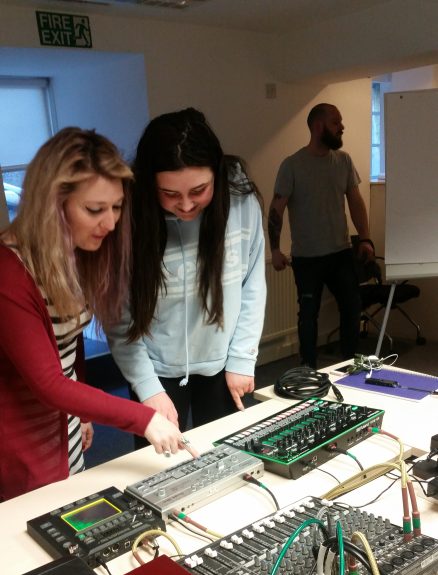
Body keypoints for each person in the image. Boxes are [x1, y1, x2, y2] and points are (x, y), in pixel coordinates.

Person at [0, 127, 185, 502]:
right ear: (53, 205)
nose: (111, 223)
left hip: (64, 427)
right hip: (22, 447)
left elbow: (69, 342)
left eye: (116, 207)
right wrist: (144, 418)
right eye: (95, 210)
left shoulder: (71, 255)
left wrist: (82, 413)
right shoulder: (9, 273)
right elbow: (48, 383)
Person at [106, 108, 266, 437]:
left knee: (228, 453)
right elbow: (120, 317)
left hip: (224, 361)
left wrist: (242, 358)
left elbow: (252, 284)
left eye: (198, 191)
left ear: (216, 175)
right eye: (170, 194)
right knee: (159, 462)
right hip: (155, 368)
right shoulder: (128, 217)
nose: (187, 205)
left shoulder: (240, 199)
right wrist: (147, 387)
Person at [268, 103, 375, 368]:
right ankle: (309, 369)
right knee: (308, 315)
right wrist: (275, 250)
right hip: (307, 258)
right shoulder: (292, 165)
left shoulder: (343, 161)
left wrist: (365, 238)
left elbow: (356, 202)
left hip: (340, 253)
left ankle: (349, 365)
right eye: (336, 122)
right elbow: (276, 209)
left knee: (352, 307)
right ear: (318, 127)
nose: (342, 127)